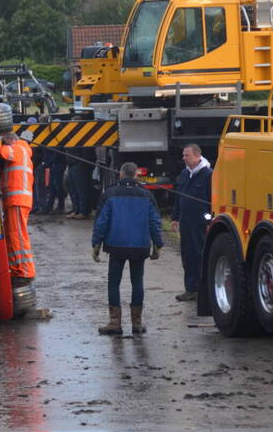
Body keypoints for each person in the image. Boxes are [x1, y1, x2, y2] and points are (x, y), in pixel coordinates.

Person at [91, 162, 164, 335]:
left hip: (116, 245)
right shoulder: (147, 194)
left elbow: (102, 221)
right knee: (137, 282)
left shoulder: (110, 193)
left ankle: (115, 324)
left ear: (121, 175)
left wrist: (96, 243)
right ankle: (137, 324)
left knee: (113, 283)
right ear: (136, 175)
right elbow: (155, 221)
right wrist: (157, 244)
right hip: (140, 246)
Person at [172, 143, 212, 301]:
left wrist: (210, 221)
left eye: (186, 155)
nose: (183, 158)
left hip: (201, 223)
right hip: (186, 222)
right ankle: (191, 289)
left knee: (200, 255)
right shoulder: (184, 174)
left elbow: (213, 200)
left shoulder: (209, 175)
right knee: (187, 255)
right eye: (183, 155)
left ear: (197, 156)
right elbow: (178, 197)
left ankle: (204, 290)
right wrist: (175, 217)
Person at [0, 132, 35, 279]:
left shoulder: (19, 148)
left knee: (17, 236)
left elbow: (3, 152)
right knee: (13, 235)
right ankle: (17, 267)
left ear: (10, 141)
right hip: (15, 201)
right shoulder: (20, 150)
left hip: (18, 200)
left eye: (5, 143)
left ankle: (25, 271)